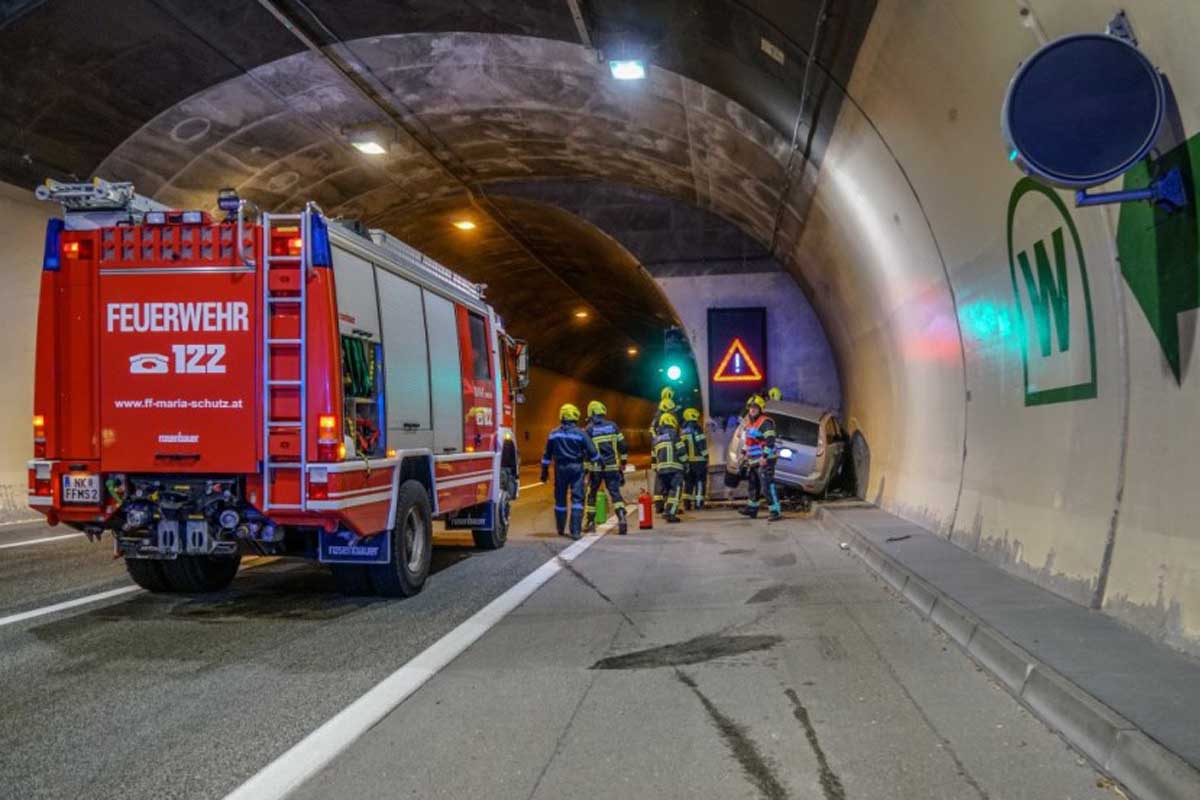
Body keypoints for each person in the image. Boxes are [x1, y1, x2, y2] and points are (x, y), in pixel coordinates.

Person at [540, 403, 601, 539]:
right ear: (575, 416)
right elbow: (593, 453)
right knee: (577, 499)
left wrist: (544, 471)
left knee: (560, 498)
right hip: (576, 468)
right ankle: (575, 531)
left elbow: (546, 455)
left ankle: (560, 529)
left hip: (560, 469)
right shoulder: (581, 434)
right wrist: (599, 465)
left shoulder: (553, 434)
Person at [583, 400, 629, 535]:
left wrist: (586, 470)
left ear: (591, 413)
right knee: (615, 493)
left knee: (592, 494)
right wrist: (623, 462)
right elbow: (623, 446)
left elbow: (586, 451)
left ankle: (590, 523)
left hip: (596, 468)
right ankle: (621, 518)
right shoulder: (613, 426)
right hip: (612, 466)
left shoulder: (589, 429)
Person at [738, 395, 781, 521]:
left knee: (767, 485)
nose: (752, 410)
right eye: (751, 407)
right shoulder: (750, 423)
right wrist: (743, 453)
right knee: (753, 485)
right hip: (753, 459)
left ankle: (775, 511)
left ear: (760, 409)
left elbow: (770, 441)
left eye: (755, 408)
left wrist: (765, 456)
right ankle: (752, 509)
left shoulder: (765, 422)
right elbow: (749, 441)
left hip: (765, 459)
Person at [651, 412, 684, 523]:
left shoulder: (656, 438)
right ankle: (671, 514)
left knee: (667, 492)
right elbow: (681, 450)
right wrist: (686, 463)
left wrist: (657, 469)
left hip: (661, 471)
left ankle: (666, 511)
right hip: (675, 469)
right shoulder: (674, 434)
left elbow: (654, 457)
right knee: (675, 491)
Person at [650, 388, 679, 512]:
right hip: (665, 446)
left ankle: (660, 504)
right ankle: (665, 506)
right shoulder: (662, 413)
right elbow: (652, 429)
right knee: (669, 480)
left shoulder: (660, 412)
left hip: (659, 445)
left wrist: (657, 440)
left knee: (660, 476)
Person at [680, 407, 708, 510]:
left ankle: (687, 504)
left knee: (688, 482)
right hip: (699, 461)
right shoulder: (697, 428)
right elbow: (701, 444)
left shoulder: (683, 430)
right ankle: (698, 503)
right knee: (700, 482)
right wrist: (706, 456)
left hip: (688, 461)